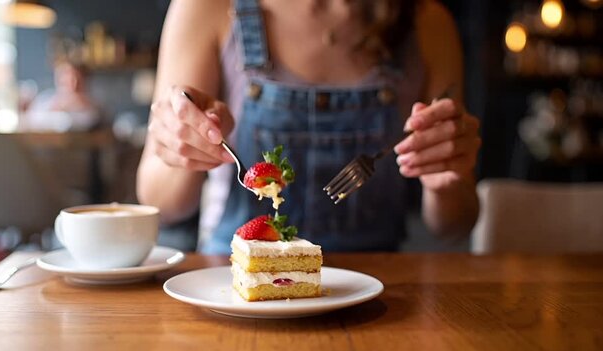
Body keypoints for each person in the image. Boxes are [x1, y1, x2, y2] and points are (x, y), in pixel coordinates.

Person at [137, 0, 481, 254]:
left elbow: (456, 223)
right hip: (235, 279)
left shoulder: (429, 25)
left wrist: (444, 181)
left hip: (375, 286)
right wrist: (185, 148)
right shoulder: (207, 8)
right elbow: (160, 205)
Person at [24, 61, 102, 132]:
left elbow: (83, 122)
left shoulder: (92, 107)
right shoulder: (44, 100)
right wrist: (55, 107)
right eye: (66, 78)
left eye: (77, 79)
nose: (72, 85)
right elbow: (30, 120)